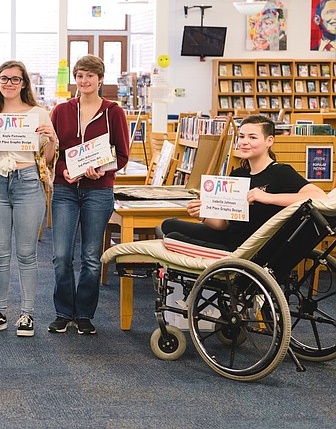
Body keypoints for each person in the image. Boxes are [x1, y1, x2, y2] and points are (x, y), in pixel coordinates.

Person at [161, 114, 326, 252]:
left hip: (243, 248)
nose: (244, 142)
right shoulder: (238, 174)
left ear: (269, 141)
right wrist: (203, 215)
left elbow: (318, 195)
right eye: (241, 136)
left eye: (252, 137)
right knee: (168, 224)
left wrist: (268, 197)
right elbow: (224, 224)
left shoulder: (280, 172)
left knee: (173, 238)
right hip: (228, 235)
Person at [50, 55, 129, 336]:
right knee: (61, 255)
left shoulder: (113, 112)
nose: (84, 81)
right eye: (80, 76)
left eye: (90, 76)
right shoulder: (61, 110)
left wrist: (102, 168)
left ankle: (84, 314)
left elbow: (122, 155)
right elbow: (52, 152)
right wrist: (64, 170)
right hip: (65, 189)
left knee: (91, 257)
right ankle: (62, 312)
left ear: (100, 79)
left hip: (98, 191)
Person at [0, 60, 57, 337]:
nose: (8, 83)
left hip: (28, 182)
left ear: (24, 84)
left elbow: (46, 162)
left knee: (26, 253)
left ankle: (27, 314)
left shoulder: (39, 114)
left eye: (14, 79)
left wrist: (53, 140)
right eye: (3, 78)